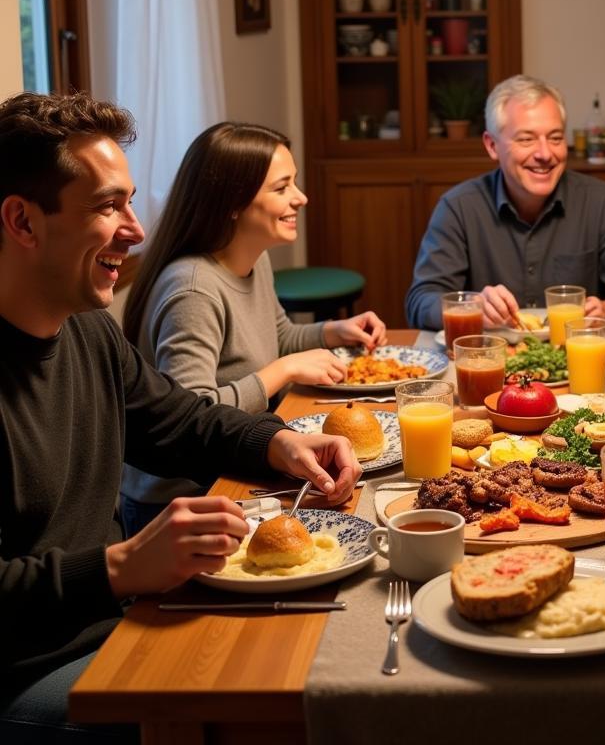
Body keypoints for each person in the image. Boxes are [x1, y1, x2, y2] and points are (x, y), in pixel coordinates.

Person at [0, 93, 362, 739]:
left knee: (324, 654)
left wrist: (280, 444)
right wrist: (119, 566)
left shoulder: (89, 333)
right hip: (32, 669)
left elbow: (182, 422)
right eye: (108, 206)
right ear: (23, 222)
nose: (136, 230)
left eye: (131, 202)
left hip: (127, 613)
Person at [119, 122, 386, 536]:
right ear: (233, 202)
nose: (301, 197)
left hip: (233, 470)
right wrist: (283, 371)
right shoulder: (193, 288)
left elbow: (276, 336)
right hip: (182, 500)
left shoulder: (250, 258)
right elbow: (190, 415)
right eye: (281, 188)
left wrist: (336, 330)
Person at [405, 75, 605, 330]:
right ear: (492, 146)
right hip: (491, 362)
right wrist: (472, 308)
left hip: (576, 359)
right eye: (526, 139)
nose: (545, 154)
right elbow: (421, 301)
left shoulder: (603, 202)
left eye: (556, 138)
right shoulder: (458, 208)